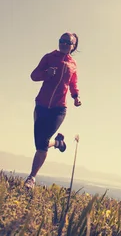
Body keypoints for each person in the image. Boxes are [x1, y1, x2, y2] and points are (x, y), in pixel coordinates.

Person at [24, 32, 82, 189]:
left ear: (73, 46)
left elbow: (73, 83)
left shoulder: (73, 64)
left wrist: (76, 97)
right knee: (40, 144)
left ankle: (31, 178)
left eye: (67, 42)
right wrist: (46, 74)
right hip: (42, 105)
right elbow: (34, 76)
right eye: (61, 40)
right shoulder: (49, 57)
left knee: (42, 144)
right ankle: (57, 142)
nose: (63, 43)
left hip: (59, 108)